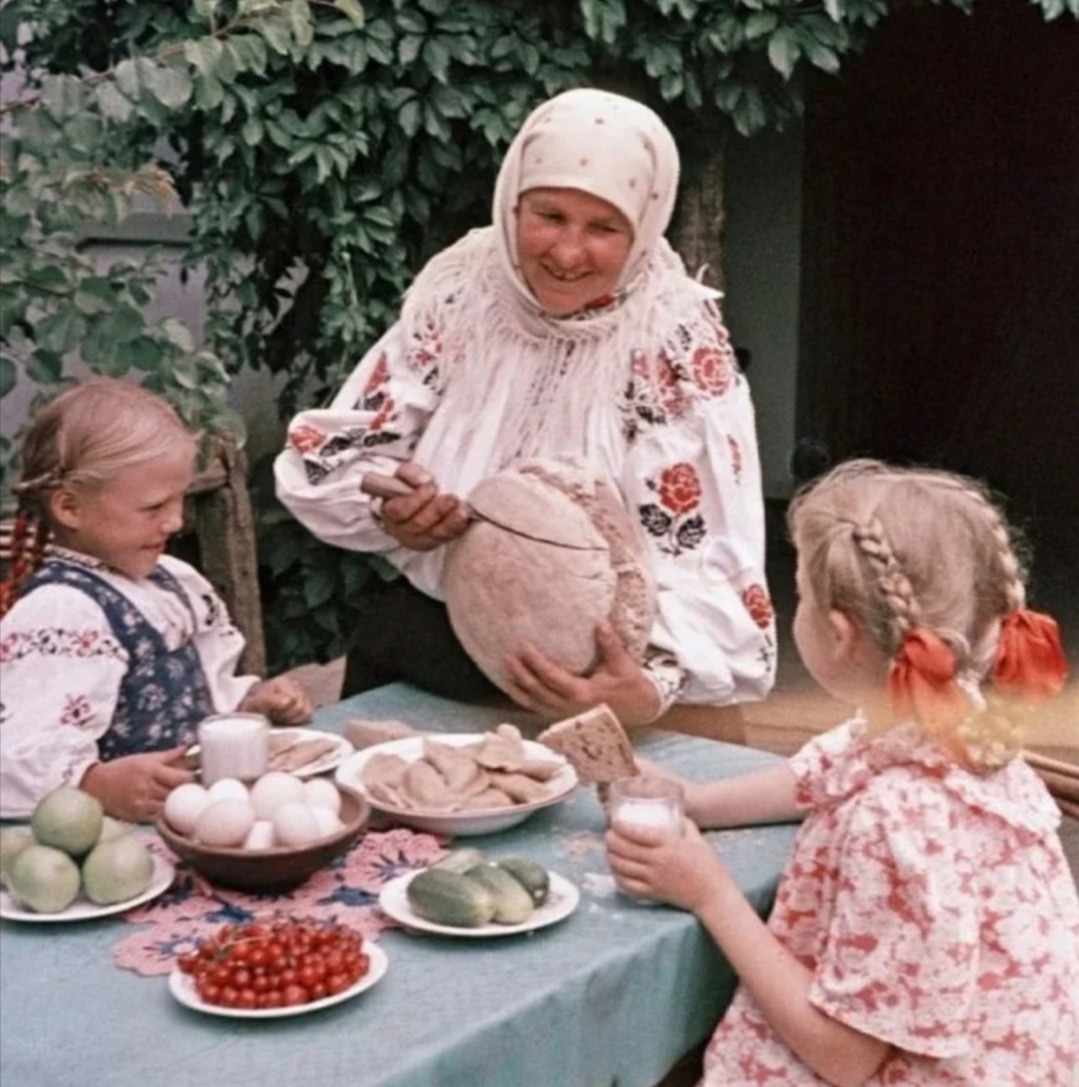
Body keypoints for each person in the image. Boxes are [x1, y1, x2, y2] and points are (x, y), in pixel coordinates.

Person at [274, 87, 776, 727]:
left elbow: (713, 556)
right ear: (513, 204)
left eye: (603, 228)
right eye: (549, 216)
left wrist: (647, 687)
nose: (568, 253)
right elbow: (347, 454)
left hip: (606, 681)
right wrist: (394, 508)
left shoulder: (670, 343)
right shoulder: (465, 295)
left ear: (644, 226)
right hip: (439, 644)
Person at [606, 458, 1077, 1086]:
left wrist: (710, 892)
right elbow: (819, 773)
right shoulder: (958, 723)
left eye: (798, 592)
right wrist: (693, 800)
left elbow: (846, 1059)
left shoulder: (895, 819)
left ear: (838, 633)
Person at [0, 379, 312, 822]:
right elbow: (14, 752)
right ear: (70, 507)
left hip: (189, 819)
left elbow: (199, 690)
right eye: (153, 507)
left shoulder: (173, 581)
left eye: (180, 499)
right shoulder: (60, 613)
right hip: (108, 846)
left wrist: (245, 704)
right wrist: (94, 785)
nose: (176, 521)